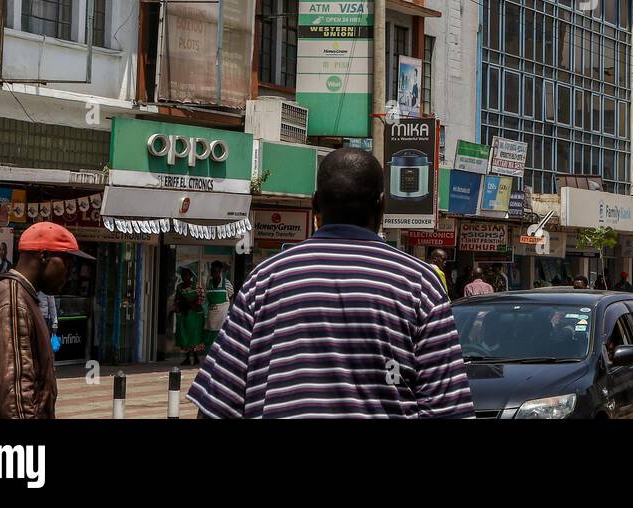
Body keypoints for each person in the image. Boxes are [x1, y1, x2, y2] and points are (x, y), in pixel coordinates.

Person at [187, 148, 474, 418]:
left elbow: (217, 406)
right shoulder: (419, 286)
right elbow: (448, 407)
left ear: (315, 204)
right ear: (382, 203)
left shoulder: (264, 281)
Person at [0, 222, 92, 419]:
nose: (68, 275)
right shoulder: (13, 303)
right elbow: (15, 398)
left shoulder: (19, 297)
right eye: (66, 264)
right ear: (44, 257)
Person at [174, 268, 205, 366]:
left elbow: (201, 299)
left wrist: (191, 303)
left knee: (194, 336)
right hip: (184, 313)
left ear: (191, 276)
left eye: (186, 275)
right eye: (183, 275)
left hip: (195, 315)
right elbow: (177, 299)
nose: (184, 277)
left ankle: (196, 358)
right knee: (185, 336)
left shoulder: (197, 287)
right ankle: (187, 358)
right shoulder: (179, 287)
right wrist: (181, 305)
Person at [202, 262, 234, 352]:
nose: (213, 274)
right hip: (211, 319)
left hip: (222, 319)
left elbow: (231, 296)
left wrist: (225, 308)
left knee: (221, 341)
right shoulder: (209, 284)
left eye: (215, 272)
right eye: (212, 272)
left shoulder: (227, 284)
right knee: (210, 342)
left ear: (220, 272)